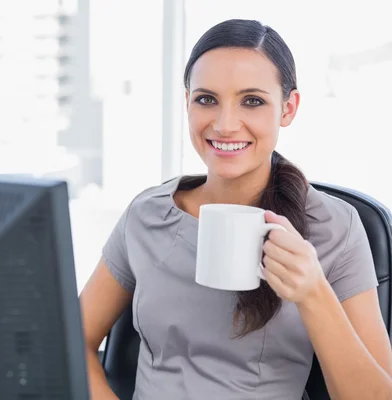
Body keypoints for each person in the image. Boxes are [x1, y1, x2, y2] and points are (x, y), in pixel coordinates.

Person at [79, 19, 392, 399]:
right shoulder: (146, 215)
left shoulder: (334, 228)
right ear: (187, 103)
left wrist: (312, 292)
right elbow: (75, 342)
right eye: (206, 99)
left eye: (253, 101)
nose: (225, 125)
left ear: (288, 108)